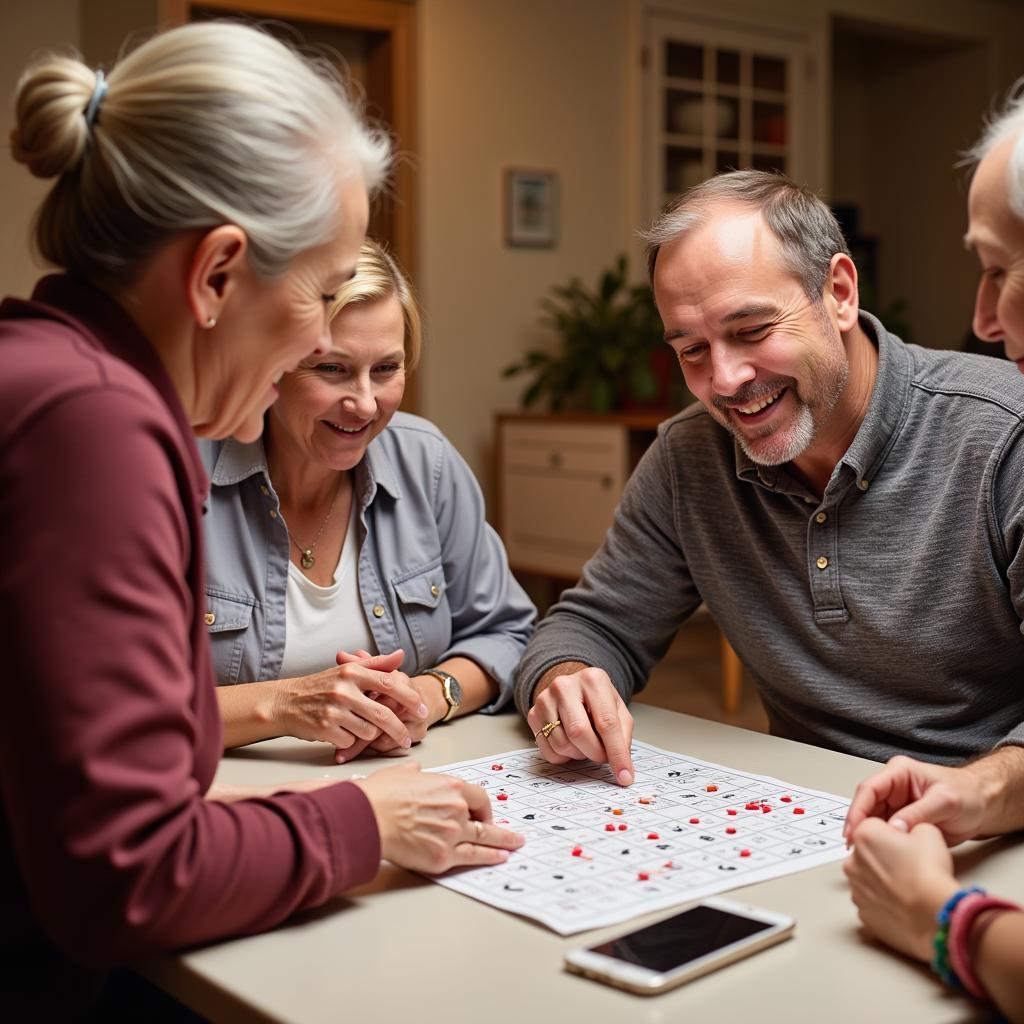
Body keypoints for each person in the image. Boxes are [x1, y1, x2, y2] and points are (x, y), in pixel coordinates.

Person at [0, 23, 520, 1014]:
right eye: (321, 296)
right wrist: (362, 823)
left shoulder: (51, 369)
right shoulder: (95, 425)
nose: (328, 342)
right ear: (216, 275)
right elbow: (130, 878)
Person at [512, 169, 1024, 794]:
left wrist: (979, 793)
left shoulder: (1003, 436)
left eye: (751, 331)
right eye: (692, 350)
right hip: (804, 816)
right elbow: (594, 624)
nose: (724, 380)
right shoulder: (689, 456)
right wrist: (565, 678)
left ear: (838, 292)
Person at [201, 239, 535, 761]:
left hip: (398, 781)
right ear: (272, 364)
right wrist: (286, 704)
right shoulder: (179, 475)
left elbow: (506, 633)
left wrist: (426, 696)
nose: (364, 403)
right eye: (332, 369)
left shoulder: (427, 462)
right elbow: (114, 708)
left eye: (386, 369)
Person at [843, 91, 1024, 1022]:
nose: (984, 320)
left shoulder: (998, 433)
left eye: (999, 270)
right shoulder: (686, 455)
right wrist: (988, 790)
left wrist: (940, 920)